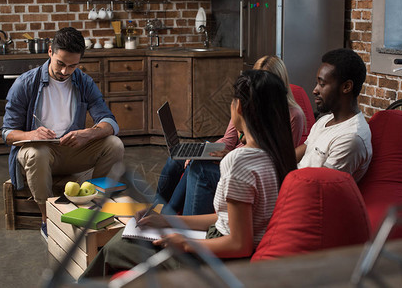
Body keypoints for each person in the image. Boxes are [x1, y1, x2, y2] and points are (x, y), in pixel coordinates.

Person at [80, 69, 297, 279]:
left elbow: (240, 244)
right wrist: (168, 221)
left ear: (238, 106)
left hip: (217, 258)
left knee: (116, 246)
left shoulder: (238, 161)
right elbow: (228, 219)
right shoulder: (275, 156)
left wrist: (184, 243)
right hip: (222, 248)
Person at [2, 27, 124, 240]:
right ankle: (47, 220)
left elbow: (109, 122)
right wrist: (32, 134)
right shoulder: (25, 83)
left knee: (114, 144)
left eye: (73, 66)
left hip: (70, 152)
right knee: (37, 152)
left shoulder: (84, 82)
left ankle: (94, 209)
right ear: (50, 52)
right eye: (61, 63)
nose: (66, 72)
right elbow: (7, 133)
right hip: (38, 154)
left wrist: (89, 133)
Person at [157, 55, 305, 215]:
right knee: (179, 157)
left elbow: (278, 159)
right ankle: (157, 208)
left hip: (245, 163)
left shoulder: (293, 115)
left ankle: (169, 214)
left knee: (198, 168)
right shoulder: (246, 106)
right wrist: (208, 150)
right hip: (234, 156)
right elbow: (228, 139)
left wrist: (229, 155)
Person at [296, 48, 372, 182]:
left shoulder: (351, 138)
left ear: (346, 87)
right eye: (316, 83)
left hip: (307, 197)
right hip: (293, 184)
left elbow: (321, 187)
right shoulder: (326, 119)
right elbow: (300, 153)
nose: (315, 90)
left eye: (322, 84)